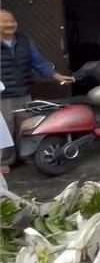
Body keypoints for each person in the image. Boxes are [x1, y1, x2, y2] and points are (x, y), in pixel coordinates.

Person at [0, 9, 73, 170]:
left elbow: (38, 62)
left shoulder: (24, 40)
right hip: (2, 96)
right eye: (5, 21)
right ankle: (4, 162)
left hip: (23, 91)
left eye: (12, 21)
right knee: (4, 129)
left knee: (26, 126)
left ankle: (26, 154)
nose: (10, 24)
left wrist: (57, 76)